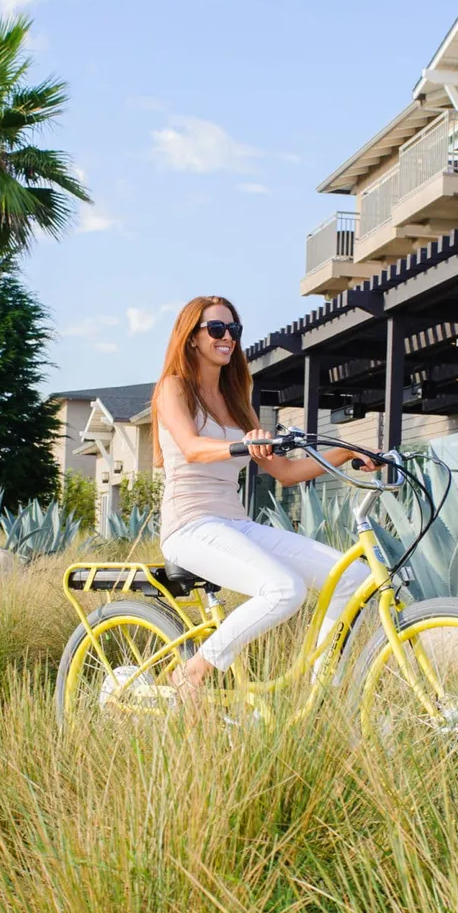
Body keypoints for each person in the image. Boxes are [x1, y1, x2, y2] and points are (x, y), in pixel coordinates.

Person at [152, 296, 376, 707]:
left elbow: (286, 473)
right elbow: (191, 447)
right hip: (190, 526)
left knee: (353, 580)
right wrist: (244, 444)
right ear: (191, 338)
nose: (227, 338)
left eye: (233, 330)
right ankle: (195, 670)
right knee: (283, 590)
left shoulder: (237, 400)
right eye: (216, 329)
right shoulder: (173, 388)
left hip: (234, 523)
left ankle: (320, 691)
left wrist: (344, 451)